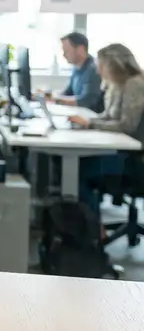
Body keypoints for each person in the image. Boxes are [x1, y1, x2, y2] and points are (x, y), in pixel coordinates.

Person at [68, 43, 144, 228]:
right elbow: (108, 116)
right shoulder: (116, 84)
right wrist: (85, 122)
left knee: (78, 171)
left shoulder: (134, 85)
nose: (98, 70)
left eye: (101, 65)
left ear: (114, 65)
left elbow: (127, 126)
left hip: (134, 160)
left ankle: (92, 229)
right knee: (75, 164)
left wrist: (91, 124)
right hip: (123, 152)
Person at [52, 32, 104, 112]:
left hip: (91, 116)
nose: (64, 55)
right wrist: (49, 95)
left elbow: (85, 101)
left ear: (80, 49)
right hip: (80, 113)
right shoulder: (77, 68)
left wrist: (56, 99)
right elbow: (68, 93)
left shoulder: (93, 70)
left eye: (67, 51)